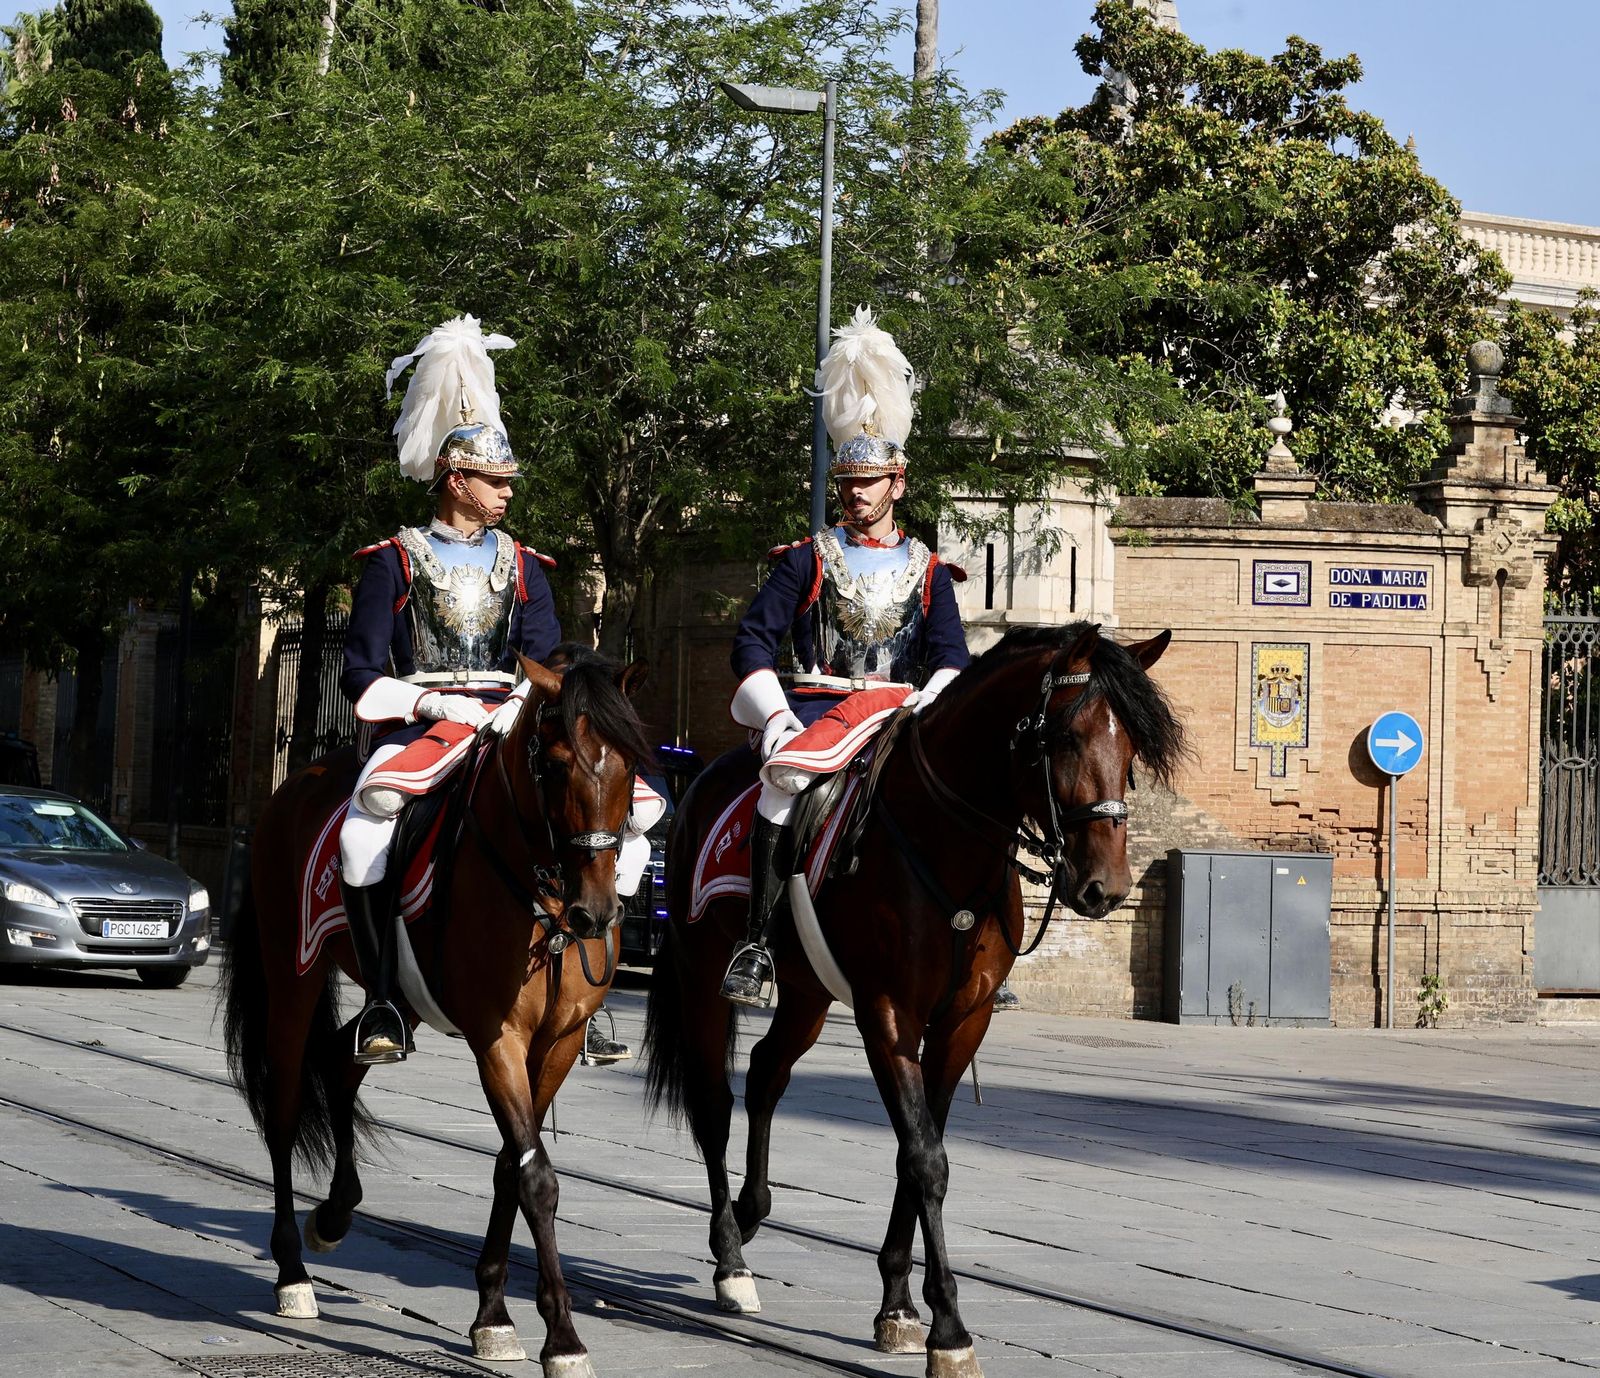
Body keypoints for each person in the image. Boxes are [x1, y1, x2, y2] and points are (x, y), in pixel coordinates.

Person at [721, 307, 971, 1006]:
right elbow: (751, 642)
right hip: (818, 713)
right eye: (848, 484)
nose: (856, 494)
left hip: (897, 716)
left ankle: (965, 936)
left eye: (871, 483)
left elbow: (953, 655)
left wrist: (930, 698)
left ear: (899, 483)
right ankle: (758, 943)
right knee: (783, 786)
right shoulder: (806, 560)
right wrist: (774, 720)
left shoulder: (928, 570)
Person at [338, 315, 561, 1064]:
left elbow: (544, 661)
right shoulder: (393, 561)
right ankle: (380, 998)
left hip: (504, 722)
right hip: (422, 724)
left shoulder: (526, 566)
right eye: (494, 483)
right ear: (456, 480)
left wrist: (519, 711)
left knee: (594, 816)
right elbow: (361, 673)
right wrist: (431, 703)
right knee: (364, 828)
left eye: (507, 484)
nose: (505, 494)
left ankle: (580, 988)